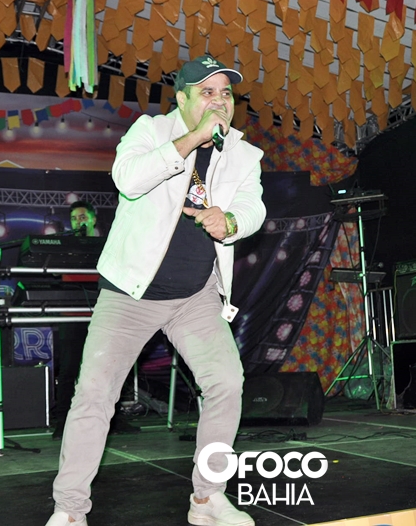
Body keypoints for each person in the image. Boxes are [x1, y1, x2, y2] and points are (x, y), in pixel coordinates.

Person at [45, 55, 265, 526]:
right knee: (94, 394)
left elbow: (253, 208)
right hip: (130, 293)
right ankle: (69, 510)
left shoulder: (243, 154)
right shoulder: (150, 131)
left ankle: (207, 500)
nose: (220, 102)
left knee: (227, 383)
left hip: (196, 295)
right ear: (181, 99)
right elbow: (127, 179)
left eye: (226, 93)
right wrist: (193, 139)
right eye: (207, 92)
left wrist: (230, 221)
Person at [50, 200, 139, 440]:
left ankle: (114, 419)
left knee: (111, 365)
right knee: (69, 368)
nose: (78, 222)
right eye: (74, 218)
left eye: (82, 217)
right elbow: (54, 272)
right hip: (71, 312)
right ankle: (63, 421)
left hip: (102, 311)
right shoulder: (65, 244)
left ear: (92, 219)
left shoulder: (107, 244)